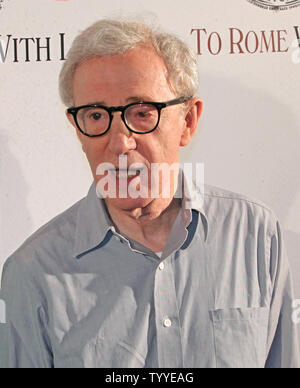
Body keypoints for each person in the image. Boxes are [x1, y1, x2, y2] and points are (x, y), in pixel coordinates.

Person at [0, 18, 299, 368]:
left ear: (187, 121)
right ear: (77, 130)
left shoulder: (254, 235)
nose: (120, 142)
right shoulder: (32, 272)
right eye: (96, 115)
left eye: (142, 113)